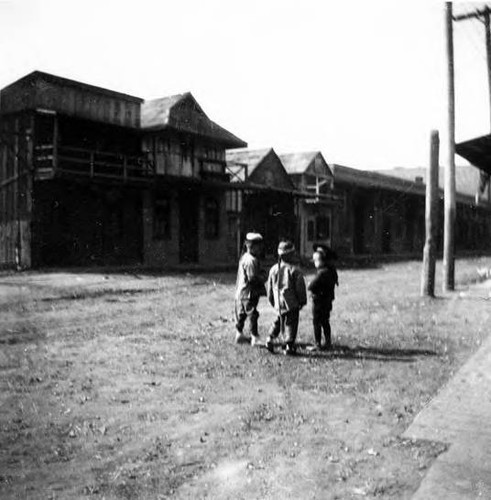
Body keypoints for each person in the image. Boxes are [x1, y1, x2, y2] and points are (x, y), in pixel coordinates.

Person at [266, 240, 307, 355]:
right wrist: (302, 301)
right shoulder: (295, 270)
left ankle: (270, 338)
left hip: (278, 302)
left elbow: (269, 287)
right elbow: (300, 288)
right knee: (291, 323)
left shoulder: (273, 269)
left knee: (278, 321)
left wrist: (272, 300)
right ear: (291, 255)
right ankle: (289, 345)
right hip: (291, 302)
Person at [234, 232, 267, 346]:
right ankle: (254, 337)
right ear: (251, 246)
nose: (259, 249)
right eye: (258, 246)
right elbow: (252, 278)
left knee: (242, 314)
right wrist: (263, 277)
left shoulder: (245, 257)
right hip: (249, 293)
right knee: (253, 314)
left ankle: (239, 334)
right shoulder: (251, 260)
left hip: (242, 292)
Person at [308, 243, 339, 350]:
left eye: (316, 261)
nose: (314, 263)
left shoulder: (322, 273)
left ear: (322, 261)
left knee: (316, 322)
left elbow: (311, 286)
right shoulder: (331, 271)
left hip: (319, 302)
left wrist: (309, 285)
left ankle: (317, 344)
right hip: (327, 301)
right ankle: (328, 341)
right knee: (325, 321)